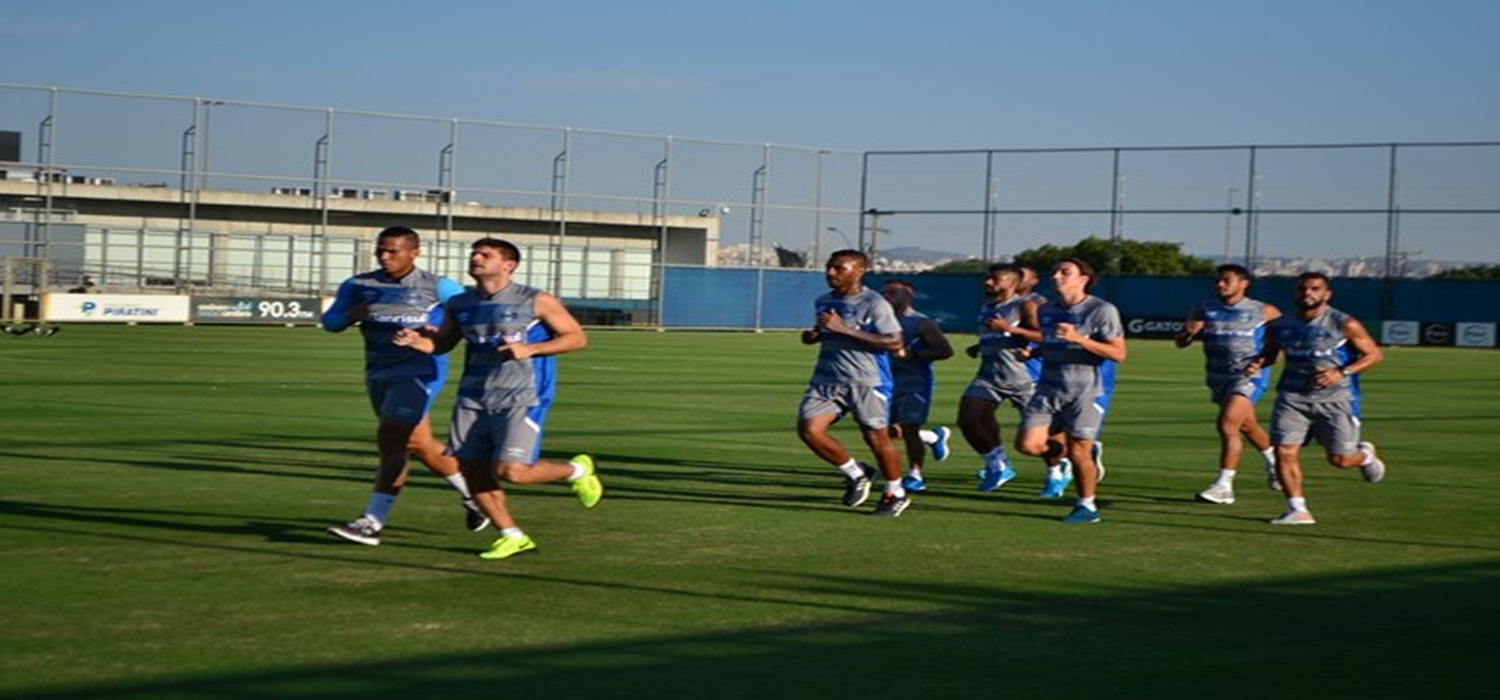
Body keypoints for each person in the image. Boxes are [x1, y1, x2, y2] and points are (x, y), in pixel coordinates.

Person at [395, 237, 602, 558]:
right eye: (474, 253)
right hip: (473, 397)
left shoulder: (536, 300)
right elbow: (443, 344)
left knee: (512, 472)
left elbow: (577, 337)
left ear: (509, 265)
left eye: (485, 254)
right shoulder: (460, 304)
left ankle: (576, 471)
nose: (476, 258)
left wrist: (530, 349)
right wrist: (417, 341)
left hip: (523, 395)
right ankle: (511, 535)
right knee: (471, 468)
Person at [321, 226, 484, 546]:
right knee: (420, 445)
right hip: (379, 373)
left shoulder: (438, 286)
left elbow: (469, 313)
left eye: (393, 251)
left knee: (391, 440)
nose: (385, 256)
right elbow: (330, 322)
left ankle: (372, 522)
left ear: (414, 252)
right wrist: (349, 316)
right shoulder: (358, 284)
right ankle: (477, 495)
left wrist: (435, 330)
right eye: (381, 250)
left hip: (421, 372)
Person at [1247, 271, 1385, 525]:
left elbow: (1374, 355)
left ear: (1326, 294)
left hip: (1337, 398)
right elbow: (1271, 354)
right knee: (1284, 451)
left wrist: (1340, 372)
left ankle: (1364, 456)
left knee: (1340, 460)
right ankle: (1298, 510)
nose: (1307, 293)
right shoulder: (1280, 325)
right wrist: (1258, 363)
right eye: (1302, 289)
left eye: (1314, 289)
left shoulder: (1344, 323)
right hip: (1293, 396)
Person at [797, 249, 911, 517]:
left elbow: (895, 342)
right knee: (809, 430)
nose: (830, 273)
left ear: (859, 271)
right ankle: (856, 472)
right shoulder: (824, 301)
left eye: (839, 268)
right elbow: (831, 333)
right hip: (827, 378)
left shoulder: (875, 303)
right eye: (829, 267)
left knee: (876, 438)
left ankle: (896, 492)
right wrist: (815, 335)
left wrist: (843, 329)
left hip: (867, 381)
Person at [1014, 258, 1127, 523]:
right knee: (1027, 445)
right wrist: (1033, 352)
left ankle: (1086, 506)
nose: (1056, 276)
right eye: (1054, 272)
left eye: (1065, 272)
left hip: (1086, 390)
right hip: (1048, 388)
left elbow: (1118, 353)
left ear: (1083, 279)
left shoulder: (1101, 310)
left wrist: (1079, 338)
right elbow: (1052, 343)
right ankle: (1078, 456)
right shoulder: (1046, 310)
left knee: (1078, 451)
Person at [1176, 264, 1282, 505]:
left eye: (1226, 280)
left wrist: (1262, 362)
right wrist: (1188, 333)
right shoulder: (1204, 308)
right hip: (1217, 376)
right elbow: (1180, 342)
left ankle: (1224, 485)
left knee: (1227, 424)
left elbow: (1280, 346)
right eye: (1218, 281)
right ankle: (1275, 461)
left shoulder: (1265, 311)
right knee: (1247, 425)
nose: (1220, 285)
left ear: (1244, 283)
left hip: (1248, 376)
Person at [958, 264, 1053, 494]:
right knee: (968, 418)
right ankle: (998, 464)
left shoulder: (1025, 305)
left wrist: (1009, 328)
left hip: (1023, 378)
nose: (988, 283)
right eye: (987, 278)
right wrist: (980, 346)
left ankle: (1059, 469)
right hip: (989, 376)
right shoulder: (987, 307)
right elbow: (997, 337)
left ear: (1011, 283)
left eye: (995, 279)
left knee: (1038, 437)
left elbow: (1044, 336)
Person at [880, 279, 955, 492]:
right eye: (884, 293)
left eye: (893, 293)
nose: (887, 297)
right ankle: (933, 437)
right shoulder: (878, 321)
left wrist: (913, 354)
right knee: (883, 430)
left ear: (909, 295)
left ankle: (915, 474)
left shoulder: (920, 322)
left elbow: (944, 350)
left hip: (914, 383)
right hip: (885, 383)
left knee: (910, 429)